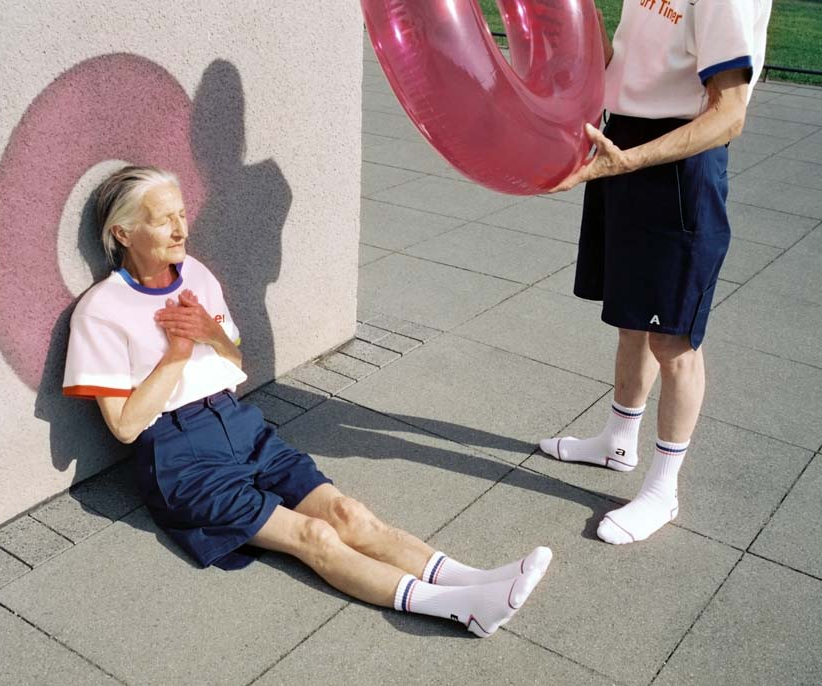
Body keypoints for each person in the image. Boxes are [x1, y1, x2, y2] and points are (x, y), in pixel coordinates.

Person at [63, 165, 551, 636]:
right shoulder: (101, 310)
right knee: (313, 537)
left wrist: (212, 334)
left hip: (239, 424)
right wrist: (176, 357)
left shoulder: (195, 273)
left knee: (348, 515)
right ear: (123, 233)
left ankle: (477, 580)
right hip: (181, 458)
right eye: (161, 218)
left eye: (182, 213)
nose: (179, 228)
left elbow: (234, 364)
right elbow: (125, 427)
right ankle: (461, 609)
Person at [541, 1, 773, 544]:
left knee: (674, 342)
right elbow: (626, 64)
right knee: (632, 317)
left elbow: (729, 113)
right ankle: (618, 440)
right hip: (624, 143)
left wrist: (630, 159)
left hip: (673, 164)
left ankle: (663, 490)